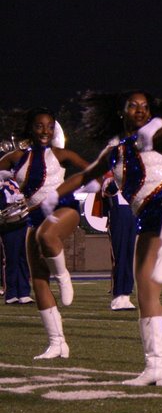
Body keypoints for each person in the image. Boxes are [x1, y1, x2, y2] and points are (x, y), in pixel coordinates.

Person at [48, 89, 162, 384]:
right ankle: (156, 367)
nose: (140, 110)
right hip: (147, 219)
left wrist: (160, 124)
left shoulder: (157, 136)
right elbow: (82, 177)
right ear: (121, 112)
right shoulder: (115, 152)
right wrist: (51, 196)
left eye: (145, 107)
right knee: (146, 292)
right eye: (133, 106)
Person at [0, 110, 91, 359]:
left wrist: (106, 180)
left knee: (47, 236)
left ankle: (63, 276)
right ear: (30, 129)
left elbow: (93, 170)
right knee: (38, 280)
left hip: (64, 208)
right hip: (33, 216)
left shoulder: (62, 154)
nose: (45, 131)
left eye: (50, 127)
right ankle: (57, 343)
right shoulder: (15, 157)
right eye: (40, 126)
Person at [97, 171, 137, 311]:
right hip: (118, 216)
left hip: (132, 214)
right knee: (119, 256)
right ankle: (117, 295)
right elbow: (109, 189)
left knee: (129, 256)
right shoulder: (110, 177)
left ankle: (126, 294)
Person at [1, 177, 32, 304]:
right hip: (9, 225)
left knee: (23, 258)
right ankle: (11, 293)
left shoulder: (17, 182)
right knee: (12, 258)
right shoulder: (4, 182)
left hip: (22, 221)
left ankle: (24, 293)